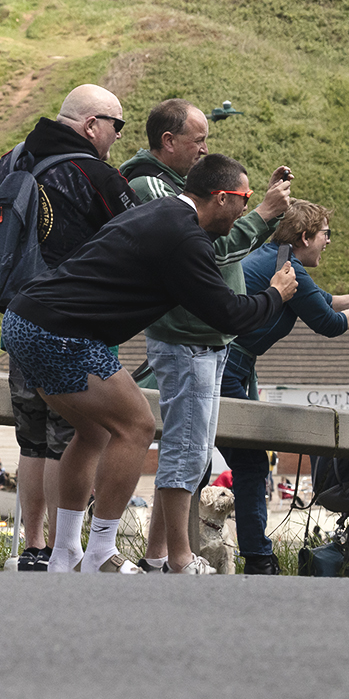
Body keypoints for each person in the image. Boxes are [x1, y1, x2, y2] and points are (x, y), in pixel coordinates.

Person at [2, 153, 298, 574]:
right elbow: (230, 314)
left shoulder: (163, 213)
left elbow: (219, 251)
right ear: (220, 197)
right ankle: (102, 549)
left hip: (24, 320)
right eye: (244, 199)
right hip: (60, 331)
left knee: (92, 431)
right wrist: (276, 294)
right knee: (137, 425)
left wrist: (267, 212)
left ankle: (65, 551)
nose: (246, 208)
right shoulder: (184, 238)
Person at [119, 99, 293, 575]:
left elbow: (224, 239)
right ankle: (177, 558)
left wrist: (262, 212)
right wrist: (257, 215)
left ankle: (159, 556)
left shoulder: (183, 187)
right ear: (168, 141)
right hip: (184, 337)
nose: (204, 148)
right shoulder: (149, 185)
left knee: (193, 454)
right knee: (184, 451)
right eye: (198, 140)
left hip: (210, 339)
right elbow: (203, 251)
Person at [0, 84, 139, 572]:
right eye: (116, 126)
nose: (117, 137)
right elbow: (138, 233)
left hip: (17, 315)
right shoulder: (93, 173)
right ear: (90, 125)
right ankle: (68, 550)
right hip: (68, 320)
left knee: (31, 437)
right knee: (75, 434)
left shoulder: (14, 159)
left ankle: (34, 547)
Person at [219, 200, 349, 575]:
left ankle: (251, 554)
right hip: (229, 366)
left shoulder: (275, 257)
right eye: (326, 234)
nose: (328, 241)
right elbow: (330, 322)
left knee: (229, 460)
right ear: (305, 236)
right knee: (249, 465)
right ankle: (259, 559)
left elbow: (323, 301)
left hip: (234, 363)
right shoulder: (287, 268)